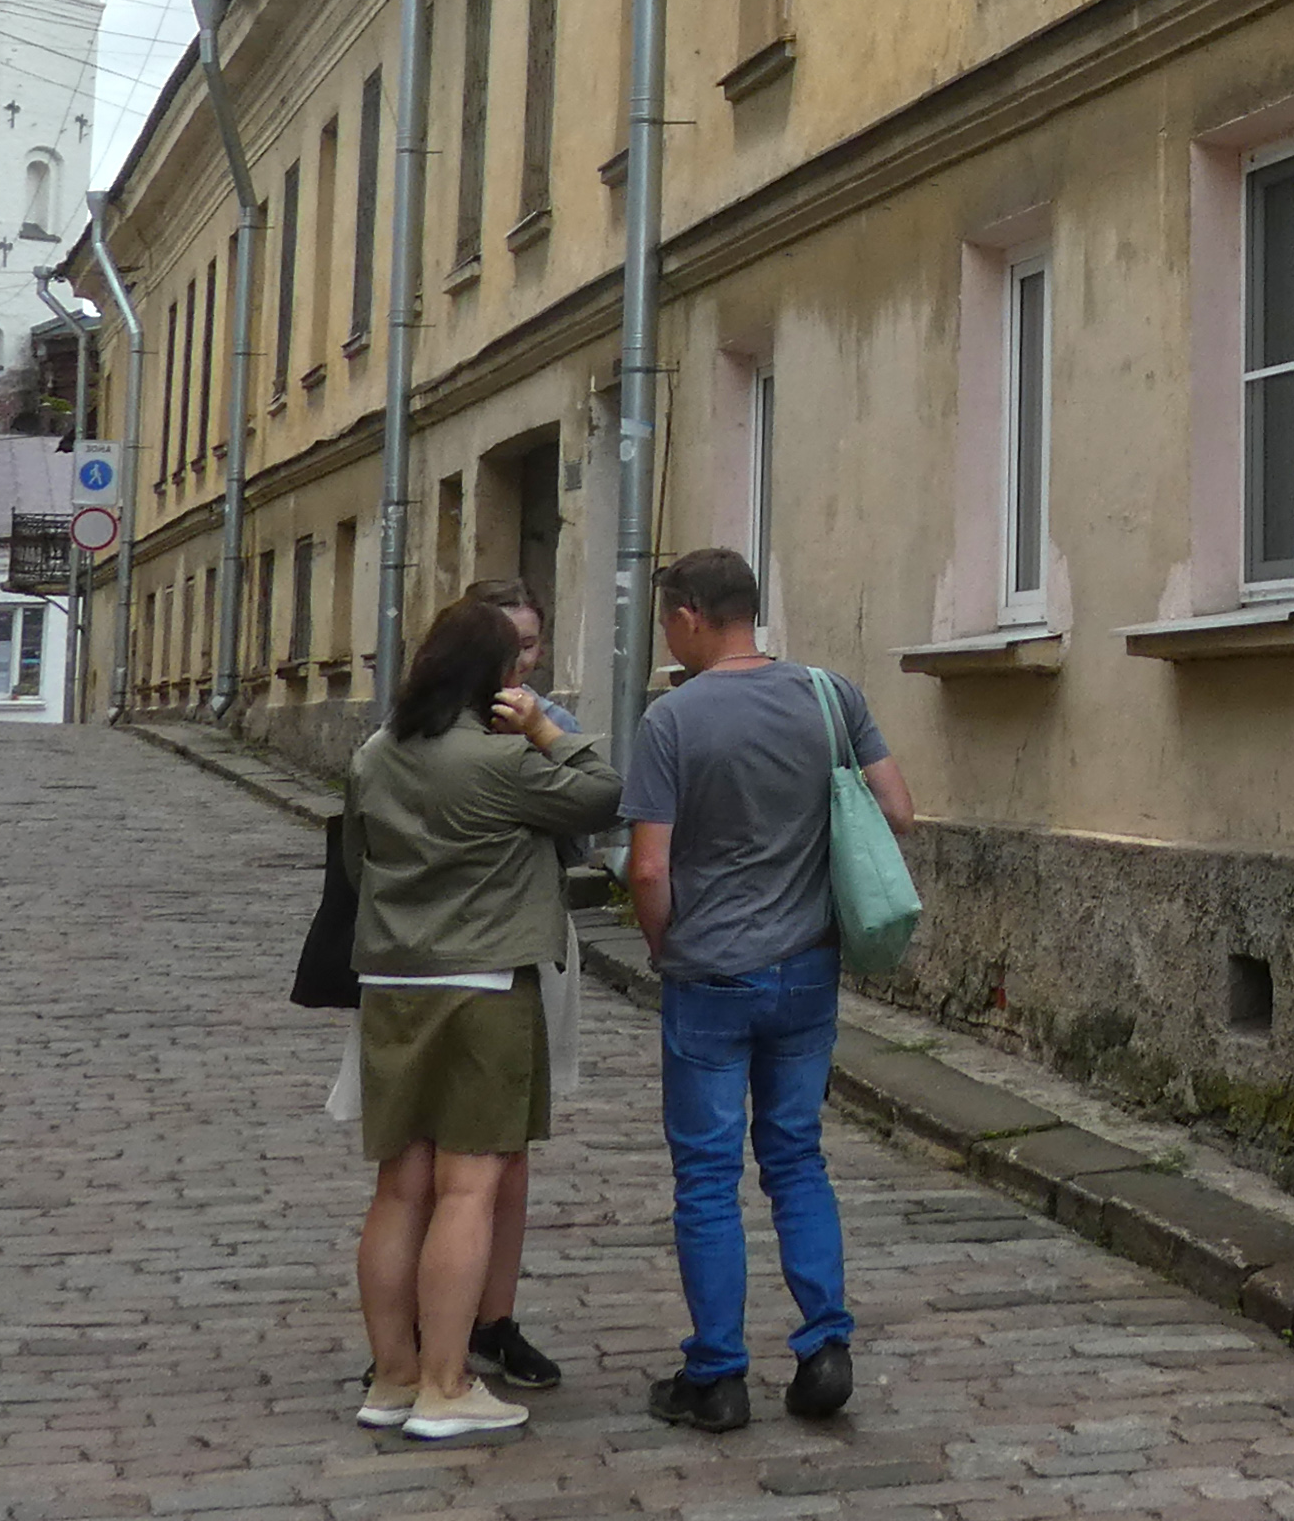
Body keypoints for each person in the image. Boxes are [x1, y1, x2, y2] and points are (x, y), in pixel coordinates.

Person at [621, 546, 909, 1432]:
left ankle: (717, 1375)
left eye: (668, 619)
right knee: (795, 1157)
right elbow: (896, 811)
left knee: (707, 1176)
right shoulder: (831, 696)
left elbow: (649, 867)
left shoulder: (672, 722)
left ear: (690, 616)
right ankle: (824, 1345)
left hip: (709, 972)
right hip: (807, 970)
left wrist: (667, 942)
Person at [345, 594, 619, 1443]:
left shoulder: (376, 756)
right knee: (470, 1187)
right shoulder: (503, 763)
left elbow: (358, 860)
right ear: (496, 680)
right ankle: (447, 1382)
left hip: (392, 982)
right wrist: (543, 727)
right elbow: (602, 793)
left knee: (399, 1187)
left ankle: (391, 1375)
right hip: (484, 986)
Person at [455, 577, 574, 1399]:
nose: (517, 664)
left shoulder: (549, 725)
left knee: (512, 1149)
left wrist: (544, 738)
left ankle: (494, 1322)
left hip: (529, 947)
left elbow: (591, 817)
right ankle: (425, 1329)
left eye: (528, 647)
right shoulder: (416, 727)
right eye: (503, 647)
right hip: (434, 959)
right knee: (426, 1158)